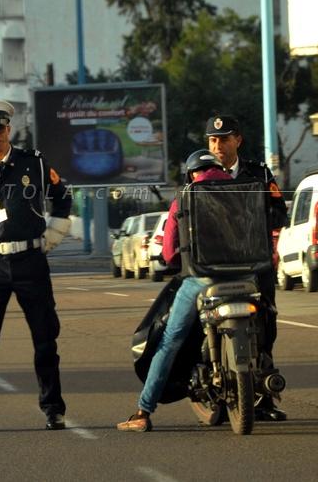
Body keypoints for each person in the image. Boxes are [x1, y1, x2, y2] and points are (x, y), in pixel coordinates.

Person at [0, 99, 73, 433]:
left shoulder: (33, 163)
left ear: (10, 129)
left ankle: (53, 410)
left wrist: (52, 237)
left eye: (0, 128)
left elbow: (63, 197)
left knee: (45, 338)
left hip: (31, 262)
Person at [117, 150, 232, 432]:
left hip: (202, 280)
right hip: (246, 276)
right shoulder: (242, 190)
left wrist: (176, 261)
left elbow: (168, 252)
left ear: (192, 173)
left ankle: (144, 410)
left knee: (170, 340)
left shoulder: (186, 195)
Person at [205, 114, 288, 422]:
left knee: (265, 325)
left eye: (224, 139)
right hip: (216, 263)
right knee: (205, 322)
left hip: (256, 262)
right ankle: (215, 396)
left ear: (237, 140)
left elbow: (279, 211)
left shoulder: (259, 173)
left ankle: (265, 398)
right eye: (213, 140)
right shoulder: (201, 174)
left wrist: (256, 219)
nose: (218, 145)